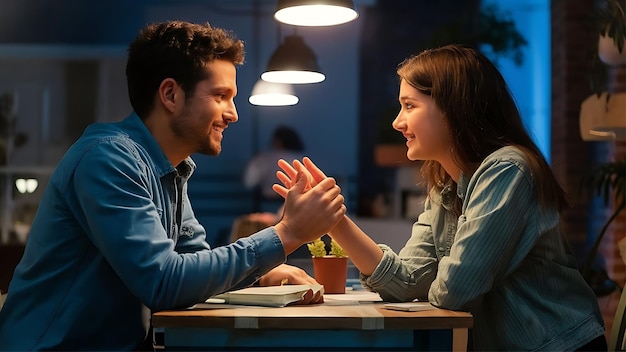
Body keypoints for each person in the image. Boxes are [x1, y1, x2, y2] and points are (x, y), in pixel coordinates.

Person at [0, 20, 346, 351]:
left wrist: (260, 274)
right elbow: (164, 283)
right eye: (221, 96)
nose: (233, 113)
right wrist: (287, 233)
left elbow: (193, 264)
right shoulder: (107, 158)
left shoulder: (171, 168)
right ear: (170, 94)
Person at [273, 44, 607, 351]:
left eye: (409, 105)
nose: (397, 121)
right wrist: (334, 218)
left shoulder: (508, 171)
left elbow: (454, 292)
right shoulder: (446, 187)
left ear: (453, 108)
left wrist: (433, 282)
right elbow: (406, 281)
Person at [244, 125, 305, 210]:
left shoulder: (263, 159)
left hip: (266, 203)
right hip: (295, 204)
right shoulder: (301, 159)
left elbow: (249, 182)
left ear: (277, 141)